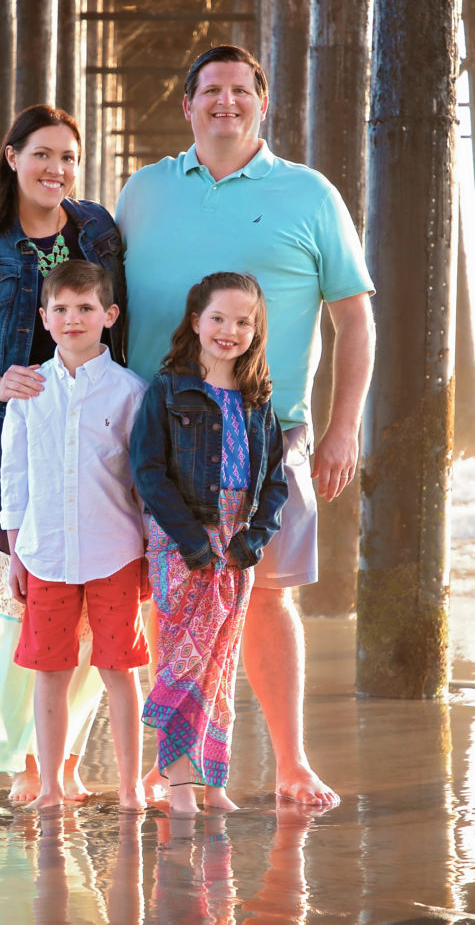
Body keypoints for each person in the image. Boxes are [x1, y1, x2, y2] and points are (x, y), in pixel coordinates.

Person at [117, 44, 375, 807]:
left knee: (263, 593)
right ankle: (169, 766)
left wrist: (340, 428)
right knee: (157, 593)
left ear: (262, 104)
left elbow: (354, 321)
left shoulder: (310, 194)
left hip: (269, 432)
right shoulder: (142, 190)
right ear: (186, 104)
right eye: (210, 91)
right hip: (155, 426)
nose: (224, 103)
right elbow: (100, 302)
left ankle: (291, 763)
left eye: (240, 91)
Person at [0, 104, 127, 801]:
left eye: (67, 157)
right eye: (41, 154)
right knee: (25, 599)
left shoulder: (96, 230)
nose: (55, 170)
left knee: (93, 591)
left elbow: (117, 331)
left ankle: (62, 760)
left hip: (91, 437)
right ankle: (28, 761)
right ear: (11, 157)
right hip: (9, 439)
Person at [130, 272, 288, 815]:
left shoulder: (257, 399)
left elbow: (275, 481)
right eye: (219, 318)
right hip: (181, 538)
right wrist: (193, 541)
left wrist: (255, 538)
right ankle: (178, 790)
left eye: (244, 322)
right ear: (196, 322)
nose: (230, 330)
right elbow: (148, 474)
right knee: (182, 652)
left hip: (236, 540)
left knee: (221, 662)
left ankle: (215, 785)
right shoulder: (167, 390)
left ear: (256, 331)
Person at [0, 260, 150, 810]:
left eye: (85, 308)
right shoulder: (29, 389)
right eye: (60, 309)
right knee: (52, 671)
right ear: (44, 317)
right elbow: (13, 476)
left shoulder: (130, 392)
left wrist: (151, 555)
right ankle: (53, 788)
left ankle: (131, 788)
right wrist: (17, 553)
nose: (72, 318)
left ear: (108, 315)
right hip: (45, 554)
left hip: (115, 551)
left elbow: (142, 481)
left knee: (119, 668)